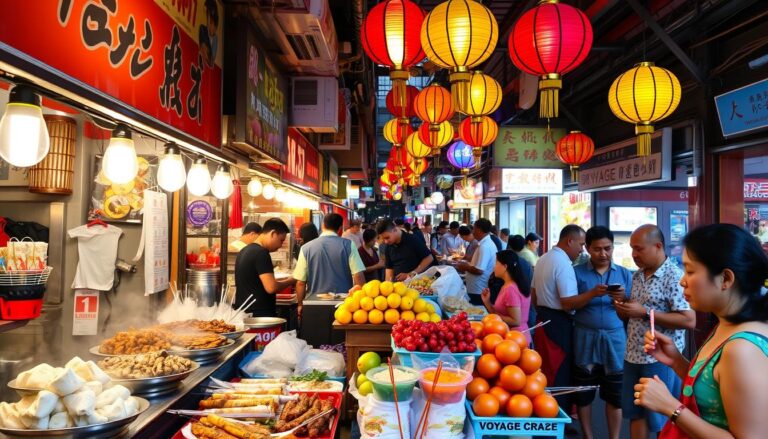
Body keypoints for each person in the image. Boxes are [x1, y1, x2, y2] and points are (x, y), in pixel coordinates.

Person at [635, 224, 768, 438]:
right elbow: (714, 388)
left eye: (690, 271)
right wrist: (677, 361)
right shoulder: (727, 325)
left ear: (725, 279)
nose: (682, 281)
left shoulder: (742, 349)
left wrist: (671, 407)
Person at [614, 224, 696, 439]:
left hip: (660, 358)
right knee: (635, 413)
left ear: (658, 246)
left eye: (639, 249)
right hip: (633, 354)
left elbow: (689, 320)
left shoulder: (674, 276)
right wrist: (623, 305)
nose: (634, 254)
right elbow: (634, 315)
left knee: (662, 417)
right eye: (632, 248)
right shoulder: (637, 275)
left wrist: (644, 312)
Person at [566, 226, 634, 439]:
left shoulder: (624, 273)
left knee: (615, 394)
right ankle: (588, 436)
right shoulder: (576, 272)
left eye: (607, 248)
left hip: (615, 338)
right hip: (585, 336)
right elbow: (569, 305)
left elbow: (633, 308)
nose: (603, 254)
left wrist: (623, 299)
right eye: (597, 249)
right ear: (587, 248)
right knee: (584, 392)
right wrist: (592, 294)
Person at [531, 224, 585, 410]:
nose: (582, 250)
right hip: (558, 324)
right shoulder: (563, 264)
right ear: (570, 241)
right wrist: (593, 293)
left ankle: (544, 410)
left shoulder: (543, 258)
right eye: (581, 244)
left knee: (544, 370)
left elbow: (534, 295)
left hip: (542, 319)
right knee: (559, 371)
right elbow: (568, 303)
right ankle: (556, 413)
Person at [294, 213, 366, 316]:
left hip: (313, 304)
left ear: (323, 225)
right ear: (340, 228)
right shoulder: (348, 245)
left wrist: (300, 304)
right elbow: (358, 275)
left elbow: (301, 282)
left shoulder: (306, 248)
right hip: (343, 305)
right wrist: (362, 300)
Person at [234, 218, 296, 317]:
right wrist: (291, 280)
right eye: (281, 240)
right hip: (259, 315)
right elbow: (271, 287)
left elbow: (255, 281)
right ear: (273, 233)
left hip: (243, 312)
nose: (280, 245)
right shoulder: (261, 253)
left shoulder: (244, 251)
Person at [481, 250, 532, 344]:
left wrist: (493, 318)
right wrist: (487, 302)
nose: (494, 267)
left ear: (505, 266)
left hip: (515, 339)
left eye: (496, 263)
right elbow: (499, 314)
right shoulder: (510, 285)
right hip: (514, 337)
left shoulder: (510, 289)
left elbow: (515, 321)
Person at [457, 218, 497, 305]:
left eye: (474, 229)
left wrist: (465, 266)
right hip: (476, 288)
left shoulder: (485, 246)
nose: (472, 232)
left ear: (479, 230)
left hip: (478, 289)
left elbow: (479, 270)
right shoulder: (484, 244)